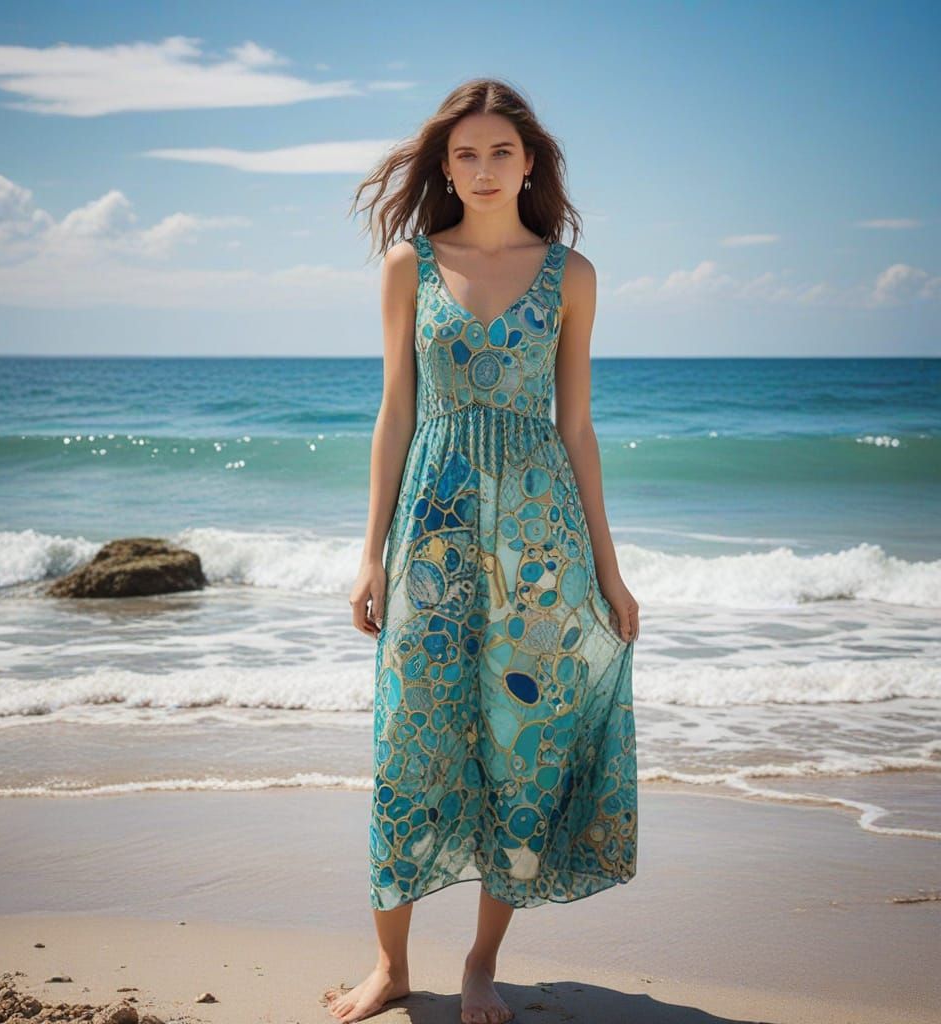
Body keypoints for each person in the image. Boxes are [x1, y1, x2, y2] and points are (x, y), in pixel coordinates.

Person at [332, 77, 640, 1024]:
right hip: (433, 528)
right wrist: (372, 550)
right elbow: (395, 414)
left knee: (521, 748)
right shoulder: (408, 265)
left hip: (540, 541)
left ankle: (479, 964)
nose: (483, 167)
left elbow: (578, 427)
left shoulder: (571, 275)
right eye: (465, 153)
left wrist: (609, 565)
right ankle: (390, 967)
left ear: (530, 161)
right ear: (446, 166)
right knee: (408, 738)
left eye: (500, 151)